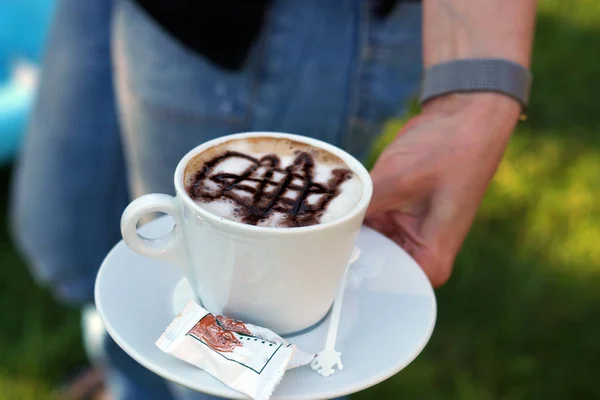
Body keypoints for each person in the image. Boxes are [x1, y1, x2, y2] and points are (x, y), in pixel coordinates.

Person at [10, 0, 536, 399]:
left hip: (273, 23)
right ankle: (133, 382)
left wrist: (472, 99)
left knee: (227, 374)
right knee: (68, 237)